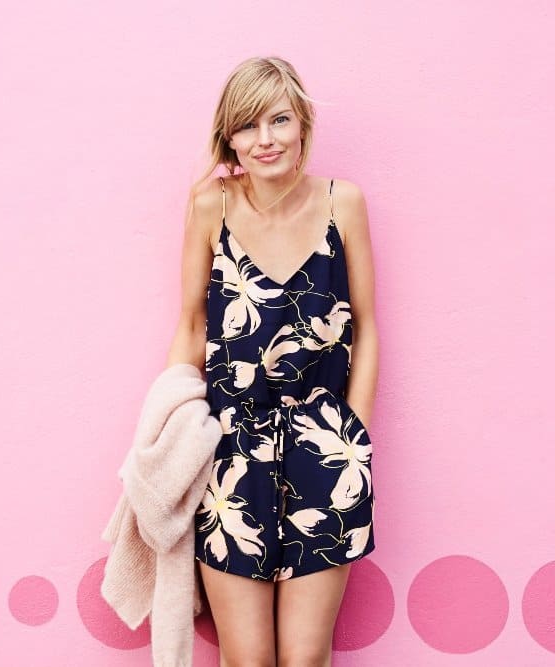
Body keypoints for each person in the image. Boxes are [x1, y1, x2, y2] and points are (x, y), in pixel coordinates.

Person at [166, 56, 378, 666]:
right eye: (247, 126)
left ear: (303, 123)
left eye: (279, 120)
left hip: (326, 449)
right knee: (247, 657)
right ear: (228, 137)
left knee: (307, 656)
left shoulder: (345, 204)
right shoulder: (212, 205)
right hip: (230, 456)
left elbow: (364, 329)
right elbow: (190, 326)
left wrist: (353, 435)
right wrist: (176, 433)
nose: (266, 140)